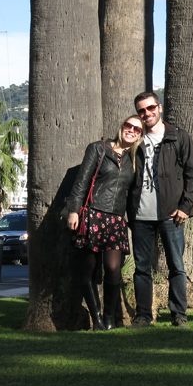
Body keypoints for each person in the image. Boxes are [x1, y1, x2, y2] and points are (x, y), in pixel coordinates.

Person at [129, 91, 193, 327]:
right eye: (142, 110)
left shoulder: (178, 137)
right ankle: (143, 316)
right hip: (140, 215)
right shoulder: (135, 140)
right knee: (142, 268)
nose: (147, 113)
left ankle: (179, 315)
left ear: (159, 108)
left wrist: (185, 207)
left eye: (150, 108)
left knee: (176, 266)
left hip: (171, 215)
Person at [66, 115, 143, 330]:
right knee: (88, 269)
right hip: (93, 215)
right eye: (129, 126)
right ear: (121, 127)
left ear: (140, 135)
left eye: (137, 130)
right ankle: (97, 317)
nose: (131, 130)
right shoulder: (98, 149)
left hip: (116, 220)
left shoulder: (134, 159)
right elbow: (81, 181)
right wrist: (74, 211)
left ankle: (109, 317)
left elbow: (132, 194)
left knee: (112, 268)